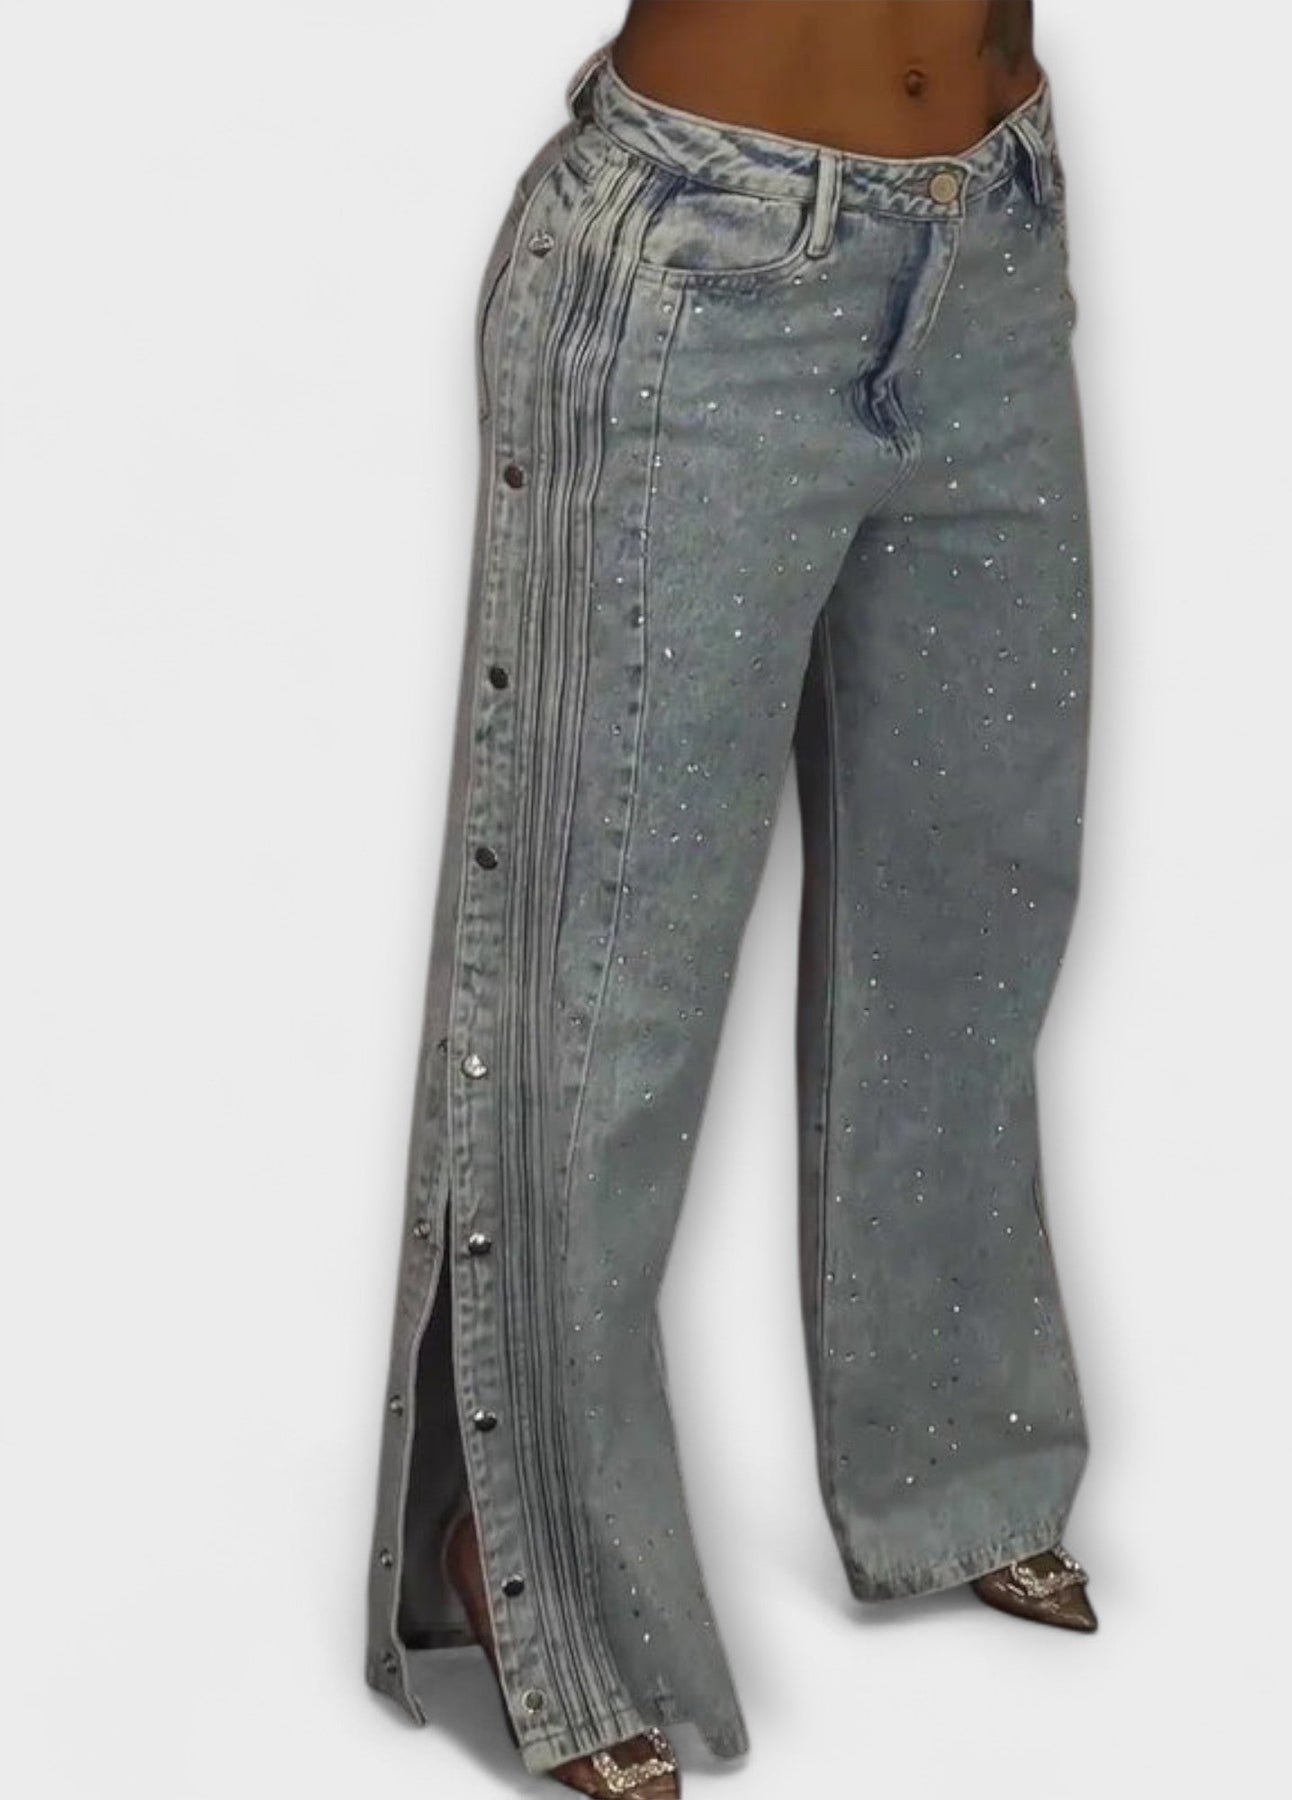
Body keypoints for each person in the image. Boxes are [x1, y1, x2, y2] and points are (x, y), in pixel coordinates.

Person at [364, 3, 1097, 1791]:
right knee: (602, 980)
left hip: (991, 248)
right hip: (709, 267)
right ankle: (535, 1573)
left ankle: (952, 1468)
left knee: (968, 923)